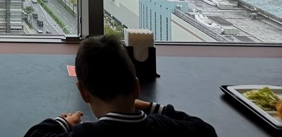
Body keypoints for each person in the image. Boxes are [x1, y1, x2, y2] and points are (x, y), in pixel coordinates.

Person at [23, 34, 217, 136]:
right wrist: (151, 107)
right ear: (136, 88)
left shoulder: (83, 135)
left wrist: (65, 122)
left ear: (84, 93)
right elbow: (204, 130)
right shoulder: (163, 128)